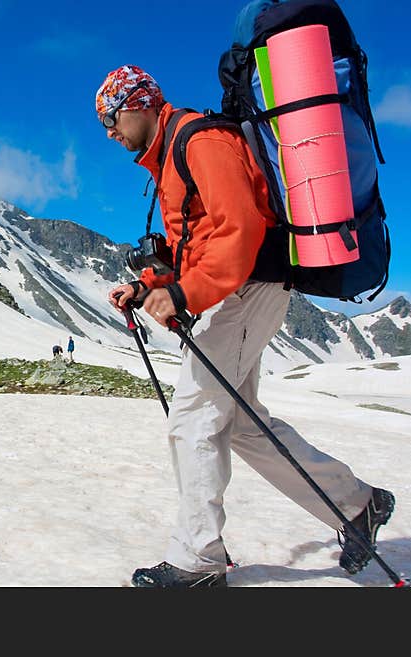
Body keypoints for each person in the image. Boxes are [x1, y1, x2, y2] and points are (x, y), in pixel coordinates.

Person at [97, 64, 394, 589]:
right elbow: (198, 239)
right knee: (243, 424)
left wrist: (185, 294)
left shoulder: (198, 140)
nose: (110, 132)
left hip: (248, 288)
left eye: (112, 117)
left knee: (193, 416)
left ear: (139, 103)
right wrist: (149, 284)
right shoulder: (169, 155)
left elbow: (241, 228)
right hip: (241, 290)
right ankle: (357, 505)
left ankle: (198, 561)